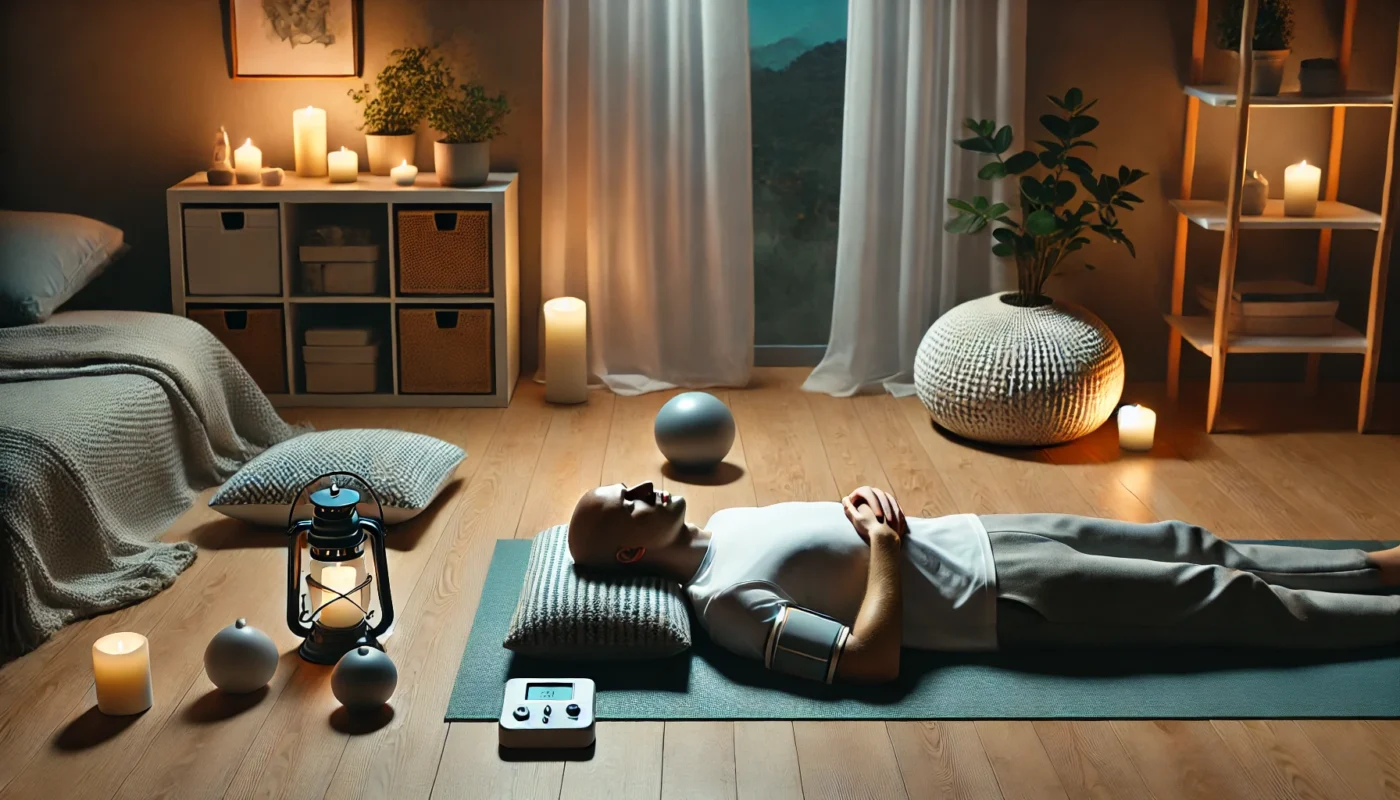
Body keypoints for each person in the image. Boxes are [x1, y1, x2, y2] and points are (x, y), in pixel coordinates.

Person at [567, 482, 1400, 684]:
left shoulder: (732, 523)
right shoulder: (724, 609)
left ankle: (1368, 567)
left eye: (633, 482)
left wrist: (864, 504)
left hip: (983, 534)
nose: (645, 489)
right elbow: (867, 662)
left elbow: (843, 530)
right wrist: (887, 544)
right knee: (1223, 601)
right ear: (631, 556)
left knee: (1191, 543)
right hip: (1006, 601)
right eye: (627, 505)